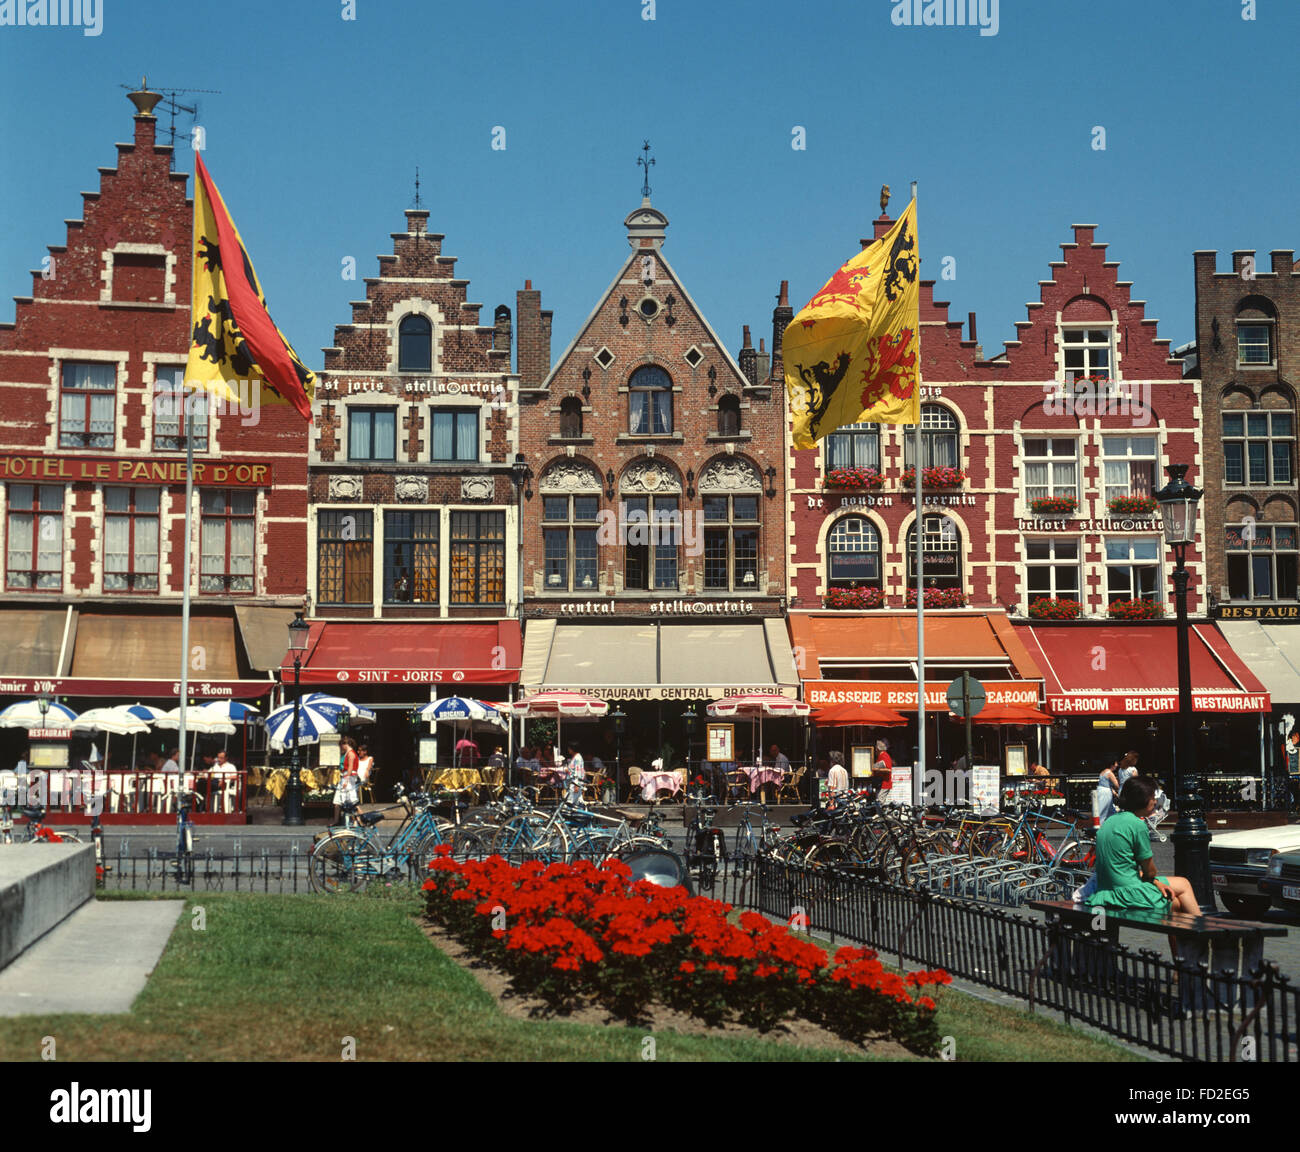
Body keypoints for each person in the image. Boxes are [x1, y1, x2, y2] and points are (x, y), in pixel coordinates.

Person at [1085, 776, 1200, 917]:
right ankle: (1203, 931)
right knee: (1180, 894)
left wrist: (1157, 883)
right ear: (1143, 800)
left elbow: (1123, 868)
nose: (1155, 801)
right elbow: (1150, 872)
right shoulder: (1137, 825)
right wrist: (1154, 880)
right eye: (1152, 797)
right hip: (1127, 894)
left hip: (1105, 892)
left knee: (1179, 891)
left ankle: (1198, 933)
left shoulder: (1109, 821)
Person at [333, 737, 360, 824]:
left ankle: (359, 820)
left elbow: (350, 767)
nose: (341, 747)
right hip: (345, 777)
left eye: (341, 745)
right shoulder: (347, 753)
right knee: (339, 801)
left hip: (348, 777)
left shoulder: (351, 754)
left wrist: (346, 779)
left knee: (350, 801)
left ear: (345, 744)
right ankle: (336, 821)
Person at [1094, 756, 1121, 824]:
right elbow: (1117, 785)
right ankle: (1101, 827)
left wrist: (1114, 792)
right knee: (1104, 811)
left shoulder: (1103, 771)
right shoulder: (1110, 773)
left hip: (1101, 791)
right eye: (1116, 763)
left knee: (1108, 810)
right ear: (1112, 764)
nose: (1117, 765)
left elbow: (1105, 784)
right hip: (1105, 793)